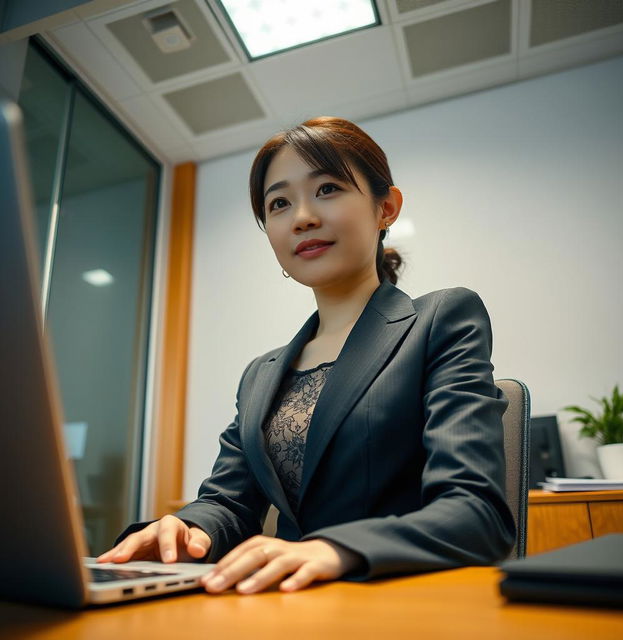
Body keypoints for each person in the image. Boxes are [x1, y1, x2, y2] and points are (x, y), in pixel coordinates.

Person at [98, 116, 515, 594]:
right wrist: (189, 530)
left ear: (386, 208)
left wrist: (335, 549)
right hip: (286, 607)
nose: (301, 217)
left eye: (328, 189)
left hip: (401, 602)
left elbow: (475, 513)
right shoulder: (261, 374)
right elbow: (230, 504)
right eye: (279, 203)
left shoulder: (441, 318)